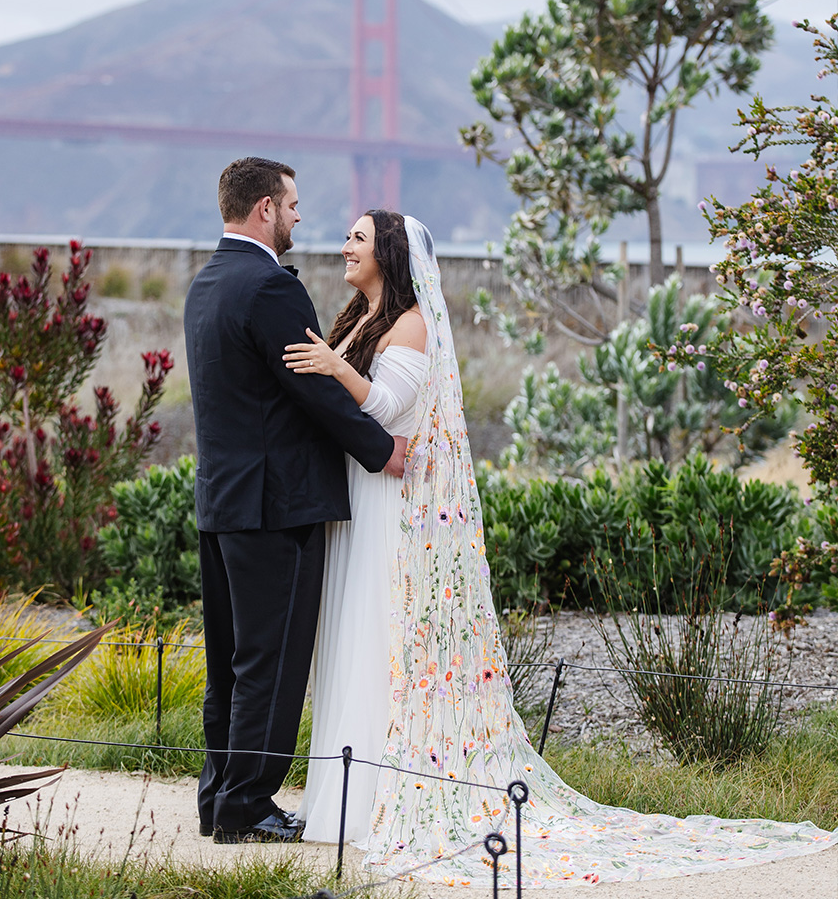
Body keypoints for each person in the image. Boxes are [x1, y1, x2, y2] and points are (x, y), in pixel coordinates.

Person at [284, 210, 837, 886]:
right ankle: (344, 799)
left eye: (359, 238)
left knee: (383, 638)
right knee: (353, 637)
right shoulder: (362, 319)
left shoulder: (411, 324)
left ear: (389, 253)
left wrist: (332, 370)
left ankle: (378, 796)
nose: (345, 246)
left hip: (389, 508)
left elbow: (385, 409)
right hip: (360, 497)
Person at [183, 158, 406, 845]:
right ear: (263, 211)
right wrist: (381, 450)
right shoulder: (270, 288)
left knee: (228, 661)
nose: (300, 217)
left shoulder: (207, 284)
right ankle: (247, 806)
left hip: (223, 504)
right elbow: (310, 390)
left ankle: (218, 797)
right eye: (293, 205)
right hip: (275, 509)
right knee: (270, 664)